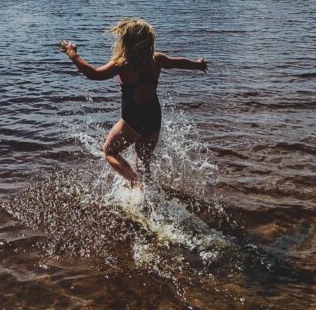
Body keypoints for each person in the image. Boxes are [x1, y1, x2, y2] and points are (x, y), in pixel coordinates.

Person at [58, 18, 208, 189]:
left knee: (109, 151)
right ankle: (149, 193)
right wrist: (197, 65)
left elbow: (94, 74)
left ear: (126, 42)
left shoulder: (123, 65)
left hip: (132, 120)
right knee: (144, 161)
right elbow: (178, 63)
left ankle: (135, 183)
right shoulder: (156, 59)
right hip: (153, 118)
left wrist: (73, 54)